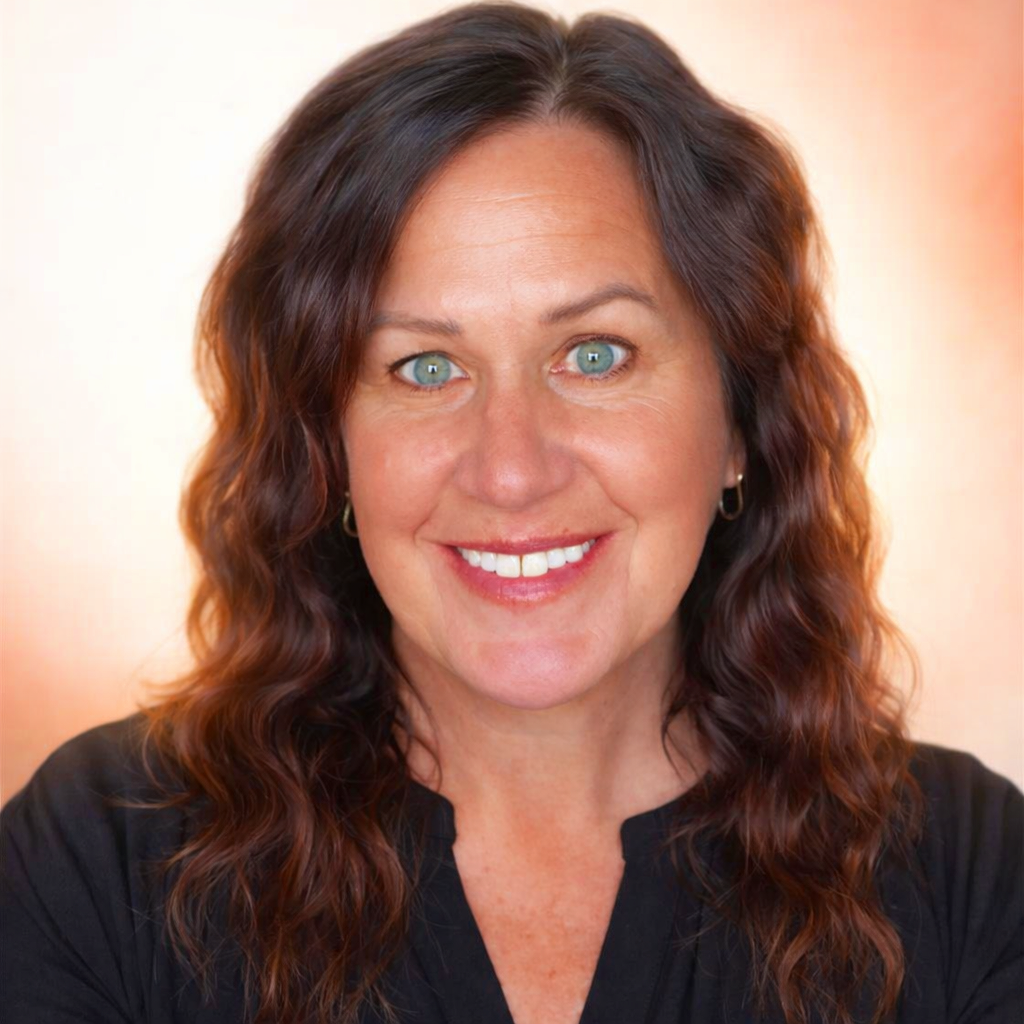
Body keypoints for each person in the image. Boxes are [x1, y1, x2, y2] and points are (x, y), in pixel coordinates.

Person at [2, 3, 1021, 1023]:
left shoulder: (972, 879)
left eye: (596, 355)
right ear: (326, 447)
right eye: (424, 367)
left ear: (740, 420)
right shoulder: (95, 866)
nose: (510, 471)